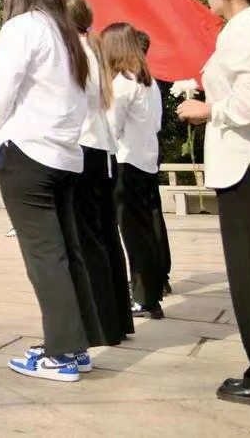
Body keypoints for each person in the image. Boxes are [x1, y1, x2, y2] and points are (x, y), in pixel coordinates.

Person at [0, 0, 99, 383]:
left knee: (44, 256)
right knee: (66, 252)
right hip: (64, 154)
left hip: (28, 151)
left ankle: (61, 355)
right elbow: (82, 101)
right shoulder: (69, 35)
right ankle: (75, 345)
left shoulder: (22, 27)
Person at [177, 0, 250, 405]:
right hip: (240, 162)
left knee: (248, 272)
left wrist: (209, 110)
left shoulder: (247, 30)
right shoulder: (237, 31)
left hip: (245, 165)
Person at [65, 0, 133, 345]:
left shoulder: (74, 52)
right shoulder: (93, 49)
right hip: (102, 149)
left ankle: (99, 325)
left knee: (86, 240)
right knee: (106, 237)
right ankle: (116, 321)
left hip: (82, 149)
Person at [101, 23, 165, 319]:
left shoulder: (122, 83)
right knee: (146, 232)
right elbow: (156, 123)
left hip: (126, 163)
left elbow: (111, 128)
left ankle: (143, 297)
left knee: (132, 234)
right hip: (147, 161)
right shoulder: (148, 82)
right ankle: (151, 292)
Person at [136, 29, 173, 296]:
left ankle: (147, 279)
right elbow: (158, 123)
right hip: (149, 152)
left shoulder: (130, 81)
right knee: (153, 214)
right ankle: (161, 273)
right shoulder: (151, 82)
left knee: (138, 221)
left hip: (132, 156)